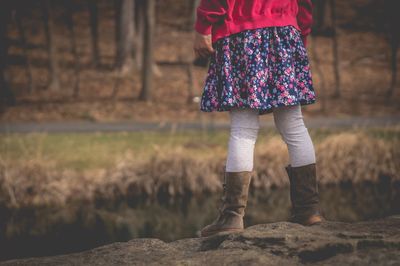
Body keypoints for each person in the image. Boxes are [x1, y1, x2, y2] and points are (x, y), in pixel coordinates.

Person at [193, 0, 325, 237]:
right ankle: (308, 210)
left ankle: (232, 216)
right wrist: (299, 33)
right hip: (286, 31)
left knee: (243, 127)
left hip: (241, 33)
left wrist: (203, 26)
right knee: (293, 124)